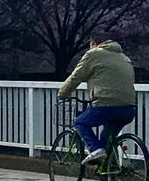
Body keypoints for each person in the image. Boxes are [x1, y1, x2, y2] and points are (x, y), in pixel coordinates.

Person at [57, 37, 137, 167]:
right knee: (107, 139)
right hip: (128, 108)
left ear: (95, 44)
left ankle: (95, 149)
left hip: (105, 105)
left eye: (90, 45)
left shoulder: (93, 54)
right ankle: (110, 173)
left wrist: (62, 94)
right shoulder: (124, 58)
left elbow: (76, 76)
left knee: (80, 122)